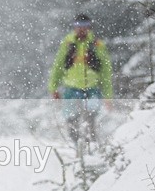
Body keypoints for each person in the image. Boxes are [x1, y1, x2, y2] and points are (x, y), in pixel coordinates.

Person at [48, 14, 113, 145]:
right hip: (71, 88)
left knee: (91, 121)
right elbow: (58, 66)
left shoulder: (97, 45)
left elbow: (106, 72)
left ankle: (91, 148)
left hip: (92, 88)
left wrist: (108, 95)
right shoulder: (67, 44)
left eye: (85, 26)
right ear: (74, 27)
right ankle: (76, 147)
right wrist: (53, 88)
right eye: (78, 26)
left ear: (89, 27)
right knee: (71, 121)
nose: (81, 30)